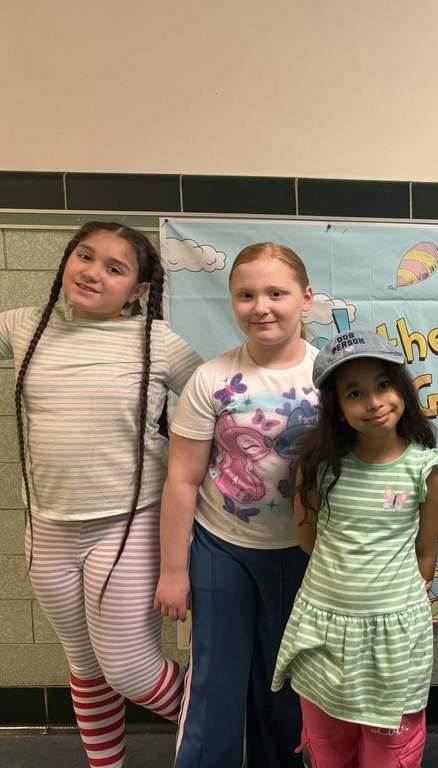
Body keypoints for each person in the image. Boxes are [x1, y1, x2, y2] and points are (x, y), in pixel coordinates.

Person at [0, 221, 202, 768]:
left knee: (132, 671)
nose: (93, 273)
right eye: (85, 257)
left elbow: (219, 399)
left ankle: (226, 718)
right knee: (86, 667)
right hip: (46, 527)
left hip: (129, 523)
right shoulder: (25, 326)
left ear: (137, 290)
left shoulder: (157, 341)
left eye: (115, 268)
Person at [155, 243, 318, 767]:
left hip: (305, 553)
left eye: (276, 293)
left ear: (306, 299)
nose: (261, 306)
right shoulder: (212, 379)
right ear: (231, 301)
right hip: (222, 549)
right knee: (216, 681)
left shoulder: (333, 377)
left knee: (288, 681)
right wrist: (173, 572)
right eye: (245, 295)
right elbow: (182, 479)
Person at [272, 329, 438, 767]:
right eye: (355, 393)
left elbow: (427, 550)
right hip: (324, 633)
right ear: (337, 408)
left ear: (402, 389)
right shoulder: (318, 468)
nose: (373, 402)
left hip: (394, 638)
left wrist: (397, 598)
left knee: (391, 753)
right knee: (328, 749)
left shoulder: (426, 470)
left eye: (383, 385)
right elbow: (307, 539)